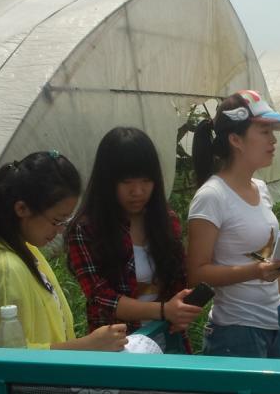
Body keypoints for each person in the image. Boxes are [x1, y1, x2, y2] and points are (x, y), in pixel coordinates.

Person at [186, 90, 280, 394]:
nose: (272, 140)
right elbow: (197, 273)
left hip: (274, 326)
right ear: (235, 139)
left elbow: (270, 258)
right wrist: (255, 272)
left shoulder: (260, 189)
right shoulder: (212, 197)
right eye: (264, 131)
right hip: (236, 333)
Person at [0, 151, 126, 351]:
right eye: (56, 220)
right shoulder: (4, 270)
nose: (60, 230)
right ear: (22, 209)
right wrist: (87, 346)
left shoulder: (24, 250)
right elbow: (9, 357)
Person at [66, 127, 201, 349]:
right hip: (121, 348)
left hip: (167, 341)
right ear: (107, 181)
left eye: (146, 180)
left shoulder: (166, 220)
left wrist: (181, 311)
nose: (137, 191)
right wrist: (164, 310)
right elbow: (100, 296)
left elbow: (178, 278)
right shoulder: (86, 229)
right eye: (127, 182)